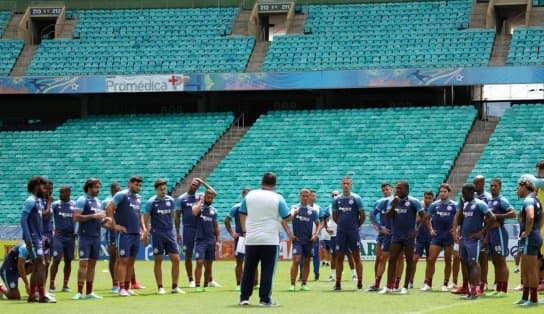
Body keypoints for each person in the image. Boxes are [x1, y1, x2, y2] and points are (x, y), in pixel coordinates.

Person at [239, 172, 294, 306]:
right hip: (269, 239)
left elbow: (242, 213)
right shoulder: (277, 198)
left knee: (249, 269)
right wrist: (294, 211)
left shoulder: (250, 195)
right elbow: (287, 217)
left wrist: (245, 230)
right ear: (275, 184)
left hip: (252, 238)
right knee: (267, 269)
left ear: (261, 182)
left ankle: (244, 298)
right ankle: (264, 299)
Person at [379, 180, 423, 295]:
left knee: (409, 260)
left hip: (409, 236)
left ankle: (405, 287)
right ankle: (389, 286)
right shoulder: (392, 201)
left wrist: (416, 230)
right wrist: (393, 205)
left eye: (400, 188)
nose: (397, 190)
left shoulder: (414, 202)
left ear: (406, 190)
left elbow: (424, 216)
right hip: (396, 236)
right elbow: (388, 216)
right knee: (392, 259)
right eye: (396, 188)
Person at [453, 183, 494, 300]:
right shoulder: (464, 204)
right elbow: (460, 221)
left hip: (474, 240)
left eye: (464, 193)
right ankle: (470, 290)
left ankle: (474, 291)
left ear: (471, 192)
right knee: (466, 264)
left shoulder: (480, 204)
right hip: (464, 238)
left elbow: (492, 217)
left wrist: (482, 233)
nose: (463, 195)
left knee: (473, 264)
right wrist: (461, 208)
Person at [142, 179, 184, 295]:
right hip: (157, 234)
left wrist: (175, 231)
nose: (163, 191)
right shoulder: (151, 202)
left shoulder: (170, 200)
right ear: (156, 190)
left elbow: (172, 216)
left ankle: (175, 286)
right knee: (158, 260)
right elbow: (145, 218)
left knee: (176, 259)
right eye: (161, 189)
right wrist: (145, 232)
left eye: (165, 189)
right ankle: (160, 287)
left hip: (169, 233)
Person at [106, 176, 145, 297]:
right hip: (124, 234)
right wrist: (115, 225)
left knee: (131, 262)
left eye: (139, 185)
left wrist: (143, 229)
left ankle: (127, 287)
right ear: (129, 184)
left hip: (135, 233)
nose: (138, 186)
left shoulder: (139, 198)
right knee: (122, 260)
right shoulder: (121, 195)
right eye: (135, 184)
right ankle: (121, 288)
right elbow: (109, 208)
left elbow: (139, 214)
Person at [175, 178, 218, 288]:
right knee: (188, 254)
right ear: (190, 184)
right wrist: (177, 232)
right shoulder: (181, 198)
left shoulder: (200, 196)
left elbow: (214, 193)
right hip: (188, 228)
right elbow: (177, 216)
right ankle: (191, 280)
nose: (195, 186)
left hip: (200, 227)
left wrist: (203, 182)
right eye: (193, 184)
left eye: (197, 185)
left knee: (204, 256)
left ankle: (210, 279)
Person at [20, 176, 55, 303]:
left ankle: (32, 295)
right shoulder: (30, 200)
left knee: (37, 266)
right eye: (43, 187)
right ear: (36, 186)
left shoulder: (38, 201)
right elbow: (23, 220)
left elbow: (41, 219)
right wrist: (28, 239)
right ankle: (41, 295)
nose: (45, 190)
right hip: (33, 239)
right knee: (41, 265)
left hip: (39, 238)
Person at [72, 178, 106, 300]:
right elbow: (75, 217)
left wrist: (106, 221)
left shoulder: (98, 201)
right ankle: (79, 292)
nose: (98, 190)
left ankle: (89, 292)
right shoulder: (82, 200)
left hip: (96, 237)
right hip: (85, 237)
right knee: (83, 264)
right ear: (89, 187)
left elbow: (100, 220)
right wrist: (93, 216)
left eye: (99, 187)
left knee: (92, 265)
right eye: (96, 187)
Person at [331, 177, 365, 291]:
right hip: (341, 232)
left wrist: (355, 226)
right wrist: (342, 224)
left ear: (351, 185)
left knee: (356, 256)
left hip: (353, 232)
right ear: (341, 185)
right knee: (339, 257)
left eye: (348, 183)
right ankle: (338, 283)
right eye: (344, 183)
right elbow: (335, 217)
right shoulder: (336, 199)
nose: (346, 185)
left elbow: (362, 216)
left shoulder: (356, 198)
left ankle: (360, 282)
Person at [421, 183, 457, 292]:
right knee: (431, 259)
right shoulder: (434, 205)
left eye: (444, 192)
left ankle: (445, 284)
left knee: (447, 260)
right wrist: (431, 229)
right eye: (441, 192)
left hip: (448, 236)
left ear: (448, 193)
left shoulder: (454, 205)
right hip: (437, 236)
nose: (442, 193)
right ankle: (428, 283)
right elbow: (427, 218)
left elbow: (459, 218)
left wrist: (456, 229)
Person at [514, 178, 543, 306]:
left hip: (530, 238)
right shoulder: (536, 199)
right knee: (525, 269)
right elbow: (542, 215)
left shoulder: (529, 200)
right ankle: (525, 297)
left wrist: (527, 231)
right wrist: (537, 228)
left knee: (530, 270)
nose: (517, 191)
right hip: (534, 235)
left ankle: (533, 299)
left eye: (518, 188)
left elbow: (530, 216)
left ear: (524, 187)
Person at [485, 178, 515, 297]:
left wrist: (497, 216)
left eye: (495, 186)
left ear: (500, 187)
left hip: (499, 233)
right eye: (491, 186)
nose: (493, 188)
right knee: (495, 261)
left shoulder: (502, 200)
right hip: (491, 233)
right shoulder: (490, 201)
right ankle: (497, 287)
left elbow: (513, 213)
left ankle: (503, 289)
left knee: (501, 261)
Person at [225, 188, 258, 290]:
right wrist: (232, 233)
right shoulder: (236, 207)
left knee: (254, 260)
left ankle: (255, 283)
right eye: (246, 195)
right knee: (239, 260)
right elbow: (227, 220)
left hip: (253, 237)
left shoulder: (255, 208)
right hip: (241, 239)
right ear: (243, 196)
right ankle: (239, 284)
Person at [289, 189, 321, 291]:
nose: (305, 198)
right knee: (296, 260)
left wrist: (315, 234)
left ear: (310, 197)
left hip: (308, 240)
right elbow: (288, 219)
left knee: (307, 261)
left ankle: (304, 284)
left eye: (307, 196)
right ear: (300, 196)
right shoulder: (295, 208)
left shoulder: (313, 211)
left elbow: (318, 224)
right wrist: (290, 234)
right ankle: (292, 284)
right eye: (303, 196)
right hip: (297, 240)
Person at [49, 185, 76, 293]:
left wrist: (76, 230)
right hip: (59, 236)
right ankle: (51, 284)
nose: (61, 194)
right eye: (60, 192)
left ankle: (65, 285)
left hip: (70, 237)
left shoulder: (74, 205)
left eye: (63, 192)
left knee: (68, 261)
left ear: (69, 192)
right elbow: (47, 217)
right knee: (56, 259)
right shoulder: (55, 205)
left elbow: (77, 219)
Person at [192, 190, 219, 292]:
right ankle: (197, 285)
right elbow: (194, 212)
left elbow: (216, 226)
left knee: (209, 264)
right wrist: (201, 201)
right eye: (208, 197)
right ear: (204, 196)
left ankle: (206, 285)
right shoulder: (199, 208)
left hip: (211, 240)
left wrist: (217, 240)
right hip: (200, 240)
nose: (210, 199)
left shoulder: (214, 211)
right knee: (199, 262)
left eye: (212, 198)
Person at [368, 182, 393, 291]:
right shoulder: (381, 202)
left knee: (394, 259)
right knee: (378, 258)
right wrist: (379, 227)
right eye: (383, 190)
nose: (385, 191)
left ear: (391, 189)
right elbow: (372, 215)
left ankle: (394, 283)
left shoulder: (395, 201)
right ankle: (376, 282)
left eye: (387, 189)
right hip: (383, 233)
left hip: (394, 233)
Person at [411, 190, 433, 289]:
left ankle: (427, 282)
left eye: (429, 198)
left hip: (431, 238)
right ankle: (410, 281)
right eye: (426, 198)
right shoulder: (419, 207)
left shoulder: (434, 207)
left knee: (430, 261)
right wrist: (421, 216)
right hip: (419, 237)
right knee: (414, 259)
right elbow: (416, 220)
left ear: (432, 199)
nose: (427, 200)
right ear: (423, 198)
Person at [473, 175, 492, 291]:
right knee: (475, 258)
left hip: (484, 231)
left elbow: (490, 217)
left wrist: (486, 235)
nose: (475, 185)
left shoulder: (488, 197)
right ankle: (476, 281)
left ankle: (484, 281)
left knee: (483, 257)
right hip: (473, 231)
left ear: (482, 183)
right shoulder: (472, 196)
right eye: (474, 183)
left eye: (477, 183)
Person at [42, 180, 54, 296]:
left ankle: (43, 289)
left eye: (51, 189)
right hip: (42, 235)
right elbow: (44, 216)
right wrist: (49, 203)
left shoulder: (48, 201)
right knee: (41, 263)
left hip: (50, 234)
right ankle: (38, 289)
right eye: (47, 189)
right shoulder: (40, 201)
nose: (49, 191)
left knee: (47, 263)